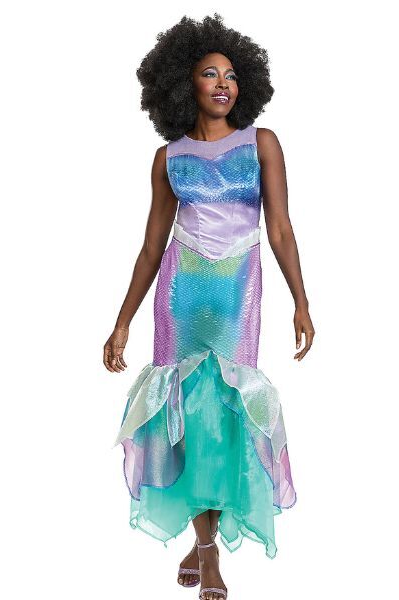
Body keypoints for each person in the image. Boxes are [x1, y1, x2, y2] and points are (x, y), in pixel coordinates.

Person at [104, 14, 314, 600]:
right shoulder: (168, 157)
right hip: (182, 293)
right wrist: (122, 322)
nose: (223, 84)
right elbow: (151, 246)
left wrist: (301, 301)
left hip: (237, 289)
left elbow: (280, 229)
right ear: (183, 83)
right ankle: (206, 548)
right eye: (209, 74)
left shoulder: (262, 143)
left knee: (225, 414)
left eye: (231, 75)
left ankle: (207, 539)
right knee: (186, 416)